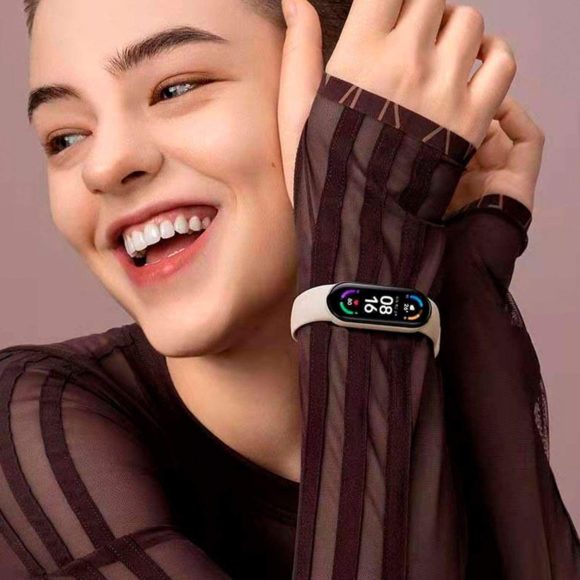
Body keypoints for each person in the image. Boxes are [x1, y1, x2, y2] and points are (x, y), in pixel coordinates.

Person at [0, 1, 578, 579]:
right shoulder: (37, 429)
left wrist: (460, 281)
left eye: (175, 89)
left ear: (357, 94)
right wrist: (368, 243)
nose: (102, 167)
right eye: (64, 137)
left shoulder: (432, 378)